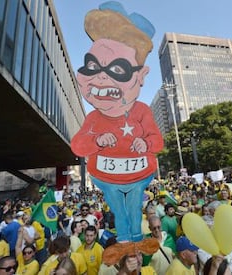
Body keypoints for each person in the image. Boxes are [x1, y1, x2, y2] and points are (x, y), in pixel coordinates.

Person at [70, 1, 163, 264]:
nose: (101, 78)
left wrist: (145, 145)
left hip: (138, 172)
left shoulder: (142, 110)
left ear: (141, 75)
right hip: (106, 175)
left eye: (117, 70)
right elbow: (78, 145)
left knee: (133, 205)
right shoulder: (93, 117)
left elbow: (157, 140)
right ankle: (126, 241)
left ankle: (133, 241)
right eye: (92, 65)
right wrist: (97, 140)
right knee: (118, 208)